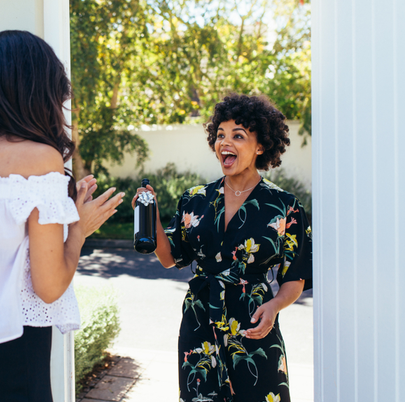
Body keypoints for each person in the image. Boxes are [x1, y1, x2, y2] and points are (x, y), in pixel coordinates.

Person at [0, 30, 124, 402]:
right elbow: (49, 289)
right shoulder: (39, 158)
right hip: (12, 374)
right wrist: (78, 231)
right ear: (36, 91)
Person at [133, 93, 312, 402]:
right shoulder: (195, 199)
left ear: (260, 146)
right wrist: (153, 217)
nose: (225, 142)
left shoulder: (284, 206)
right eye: (220, 135)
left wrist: (275, 306)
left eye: (238, 135)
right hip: (200, 322)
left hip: (254, 323)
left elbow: (295, 277)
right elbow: (169, 257)